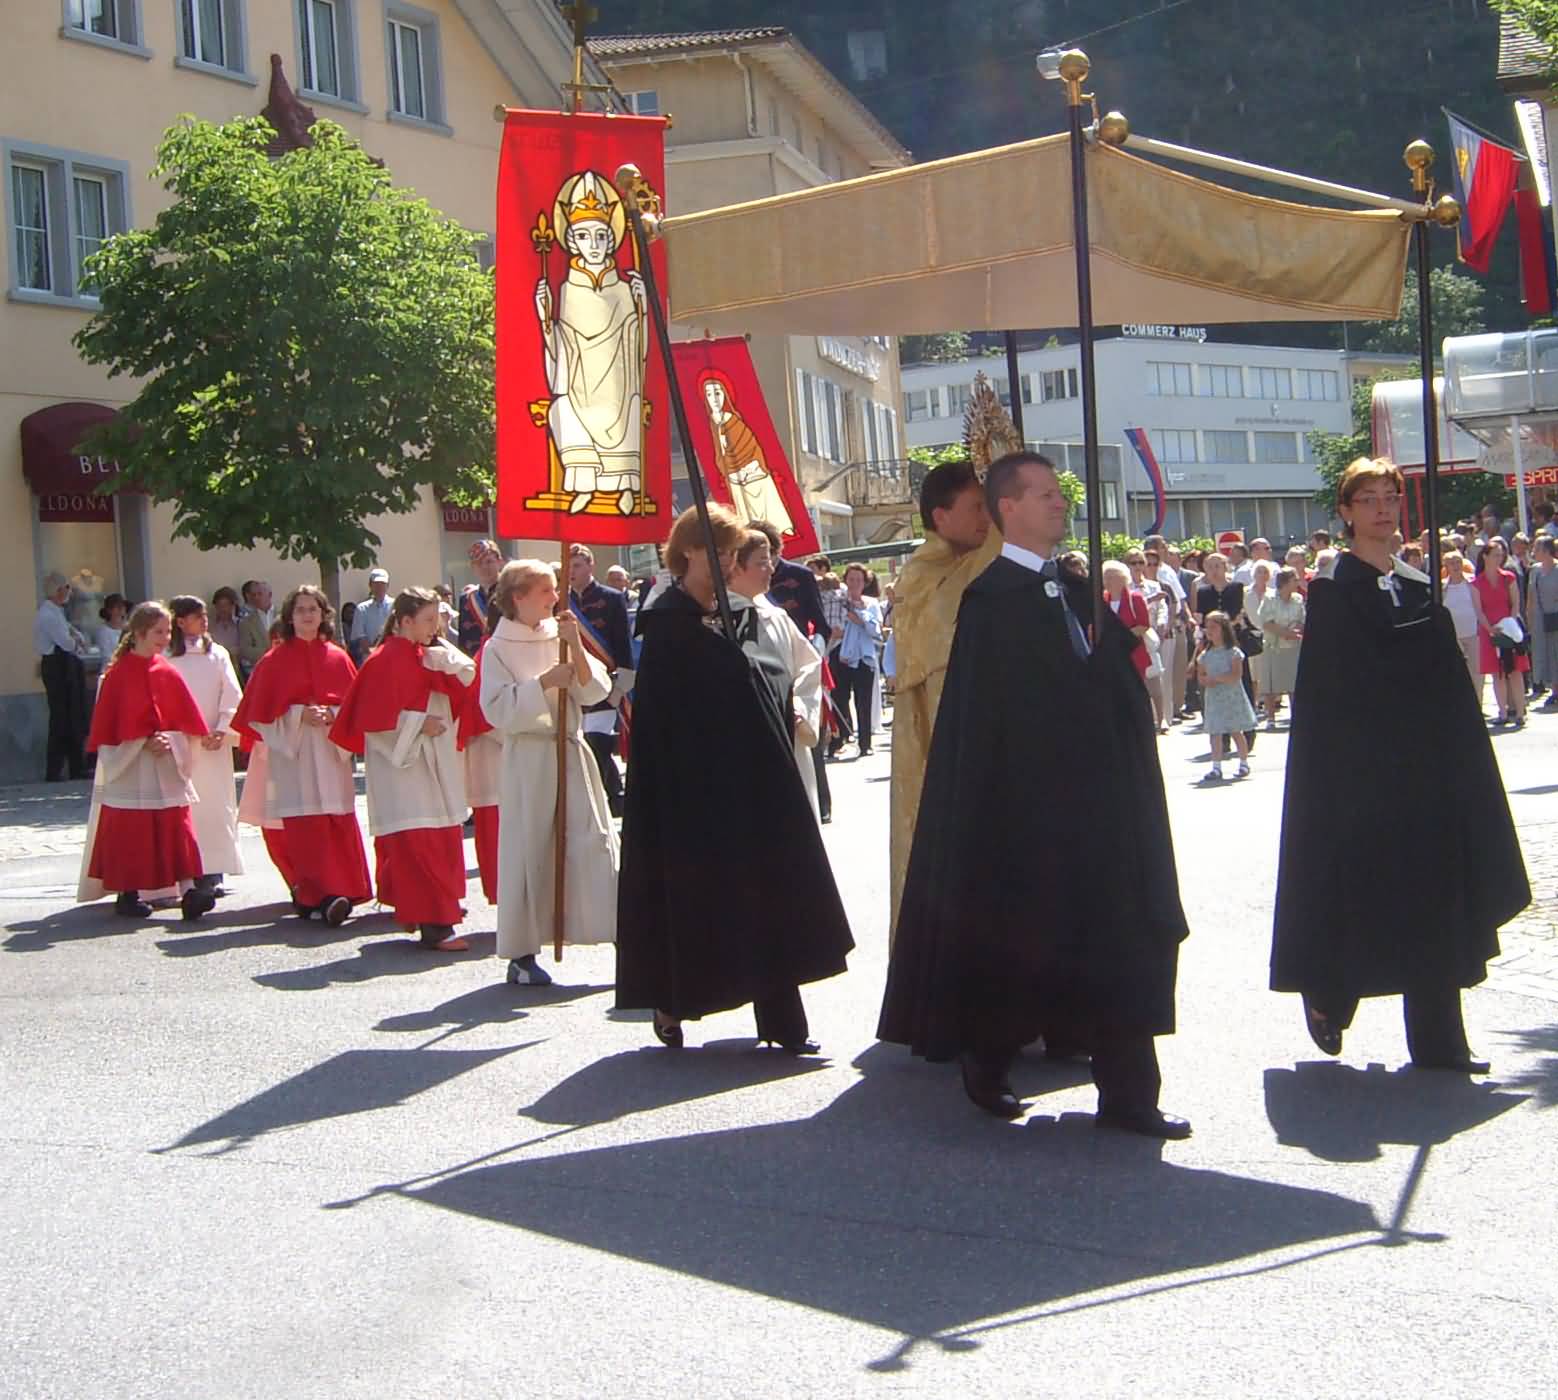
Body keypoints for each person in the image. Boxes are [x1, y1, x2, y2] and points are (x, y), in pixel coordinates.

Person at [879, 452, 1190, 1138]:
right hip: (1027, 812)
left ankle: (1130, 1096)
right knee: (1019, 939)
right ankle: (986, 1061)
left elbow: (1116, 683)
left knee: (1116, 936)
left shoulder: (1076, 588)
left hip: (1100, 810)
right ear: (1007, 509)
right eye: (1044, 494)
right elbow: (988, 720)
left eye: (1059, 493)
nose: (1059, 503)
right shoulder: (989, 602)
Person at [1272, 459, 1529, 1073]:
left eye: (1390, 498)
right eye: (1368, 499)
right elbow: (1340, 690)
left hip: (1424, 774)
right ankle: (1330, 994)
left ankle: (1440, 1040)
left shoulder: (1416, 584)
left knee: (1434, 897)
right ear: (1347, 511)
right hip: (1365, 778)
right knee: (1362, 893)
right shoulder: (1336, 590)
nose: (1383, 509)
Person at [616, 505, 853, 1052]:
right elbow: (667, 718)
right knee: (697, 901)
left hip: (756, 782)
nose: (727, 561)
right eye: (717, 550)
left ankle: (782, 1019)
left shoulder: (746, 614)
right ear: (688, 553)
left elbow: (770, 676)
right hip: (695, 793)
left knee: (771, 893)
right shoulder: (668, 623)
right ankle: (672, 1000)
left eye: (730, 551)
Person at [480, 559, 618, 987]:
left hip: (570, 751)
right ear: (518, 596)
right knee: (531, 849)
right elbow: (496, 709)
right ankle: (522, 953)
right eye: (545, 590)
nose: (556, 596)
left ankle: (617, 932)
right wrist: (541, 684)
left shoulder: (559, 634)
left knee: (589, 840)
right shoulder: (497, 648)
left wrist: (575, 648)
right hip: (531, 758)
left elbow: (596, 690)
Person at [330, 587, 476, 951]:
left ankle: (429, 912)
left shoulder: (425, 654)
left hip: (432, 762)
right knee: (419, 843)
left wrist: (447, 659)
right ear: (405, 621)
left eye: (437, 618)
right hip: (404, 768)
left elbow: (466, 681)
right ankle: (436, 925)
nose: (435, 626)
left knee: (438, 838)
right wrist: (418, 724)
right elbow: (374, 722)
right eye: (428, 620)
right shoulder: (383, 661)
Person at [231, 585, 371, 925]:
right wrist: (297, 716)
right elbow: (257, 716)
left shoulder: (338, 657)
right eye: (300, 610)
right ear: (289, 617)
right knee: (305, 824)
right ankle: (315, 895)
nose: (307, 615)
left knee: (336, 816)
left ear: (324, 615)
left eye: (313, 609)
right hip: (293, 756)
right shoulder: (273, 661)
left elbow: (357, 710)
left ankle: (343, 890)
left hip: (328, 750)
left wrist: (333, 715)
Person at [76, 602, 215, 920]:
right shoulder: (117, 675)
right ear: (138, 633)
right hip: (133, 766)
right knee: (131, 831)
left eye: (168, 631)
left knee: (176, 826)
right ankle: (128, 893)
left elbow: (185, 724)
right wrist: (141, 741)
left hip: (165, 763)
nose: (166, 638)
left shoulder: (167, 671)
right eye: (159, 632)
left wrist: (171, 741)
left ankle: (190, 890)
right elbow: (109, 729)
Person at [537, 171, 645, 517]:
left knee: (629, 404)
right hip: (579, 375)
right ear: (571, 241)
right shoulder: (567, 289)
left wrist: (641, 309)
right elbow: (562, 341)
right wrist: (545, 316)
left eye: (601, 236)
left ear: (611, 240)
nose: (594, 244)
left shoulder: (624, 287)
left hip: (616, 377)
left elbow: (636, 341)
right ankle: (583, 483)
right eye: (584, 236)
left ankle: (625, 484)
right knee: (563, 408)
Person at [726, 528, 825, 820]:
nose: (771, 568)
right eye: (761, 562)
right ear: (735, 566)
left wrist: (797, 709)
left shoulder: (776, 616)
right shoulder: (716, 618)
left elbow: (809, 663)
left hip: (788, 733)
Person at [166, 596, 244, 897]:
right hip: (179, 743)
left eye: (204, 615)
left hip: (212, 744)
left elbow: (231, 692)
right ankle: (184, 870)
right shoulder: (168, 657)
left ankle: (214, 869)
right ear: (180, 621)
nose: (204, 620)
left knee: (215, 806)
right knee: (183, 807)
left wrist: (223, 728)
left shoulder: (218, 654)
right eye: (197, 616)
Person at [567, 544, 635, 819]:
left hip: (606, 686)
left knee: (598, 746)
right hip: (575, 688)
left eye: (578, 566)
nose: (572, 572)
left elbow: (623, 647)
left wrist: (620, 690)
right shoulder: (562, 602)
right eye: (569, 567)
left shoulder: (611, 598)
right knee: (584, 749)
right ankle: (612, 798)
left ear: (591, 566)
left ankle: (608, 801)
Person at [703, 371, 796, 537]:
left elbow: (751, 445)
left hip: (752, 468)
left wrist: (751, 466)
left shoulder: (733, 419)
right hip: (733, 474)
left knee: (765, 489)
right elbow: (718, 453)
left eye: (717, 393)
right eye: (709, 394)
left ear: (725, 395)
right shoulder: (712, 423)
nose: (714, 399)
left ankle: (780, 525)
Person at [456, 608, 504, 907]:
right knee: (498, 833)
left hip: (503, 751)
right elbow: (484, 711)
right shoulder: (492, 651)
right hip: (494, 754)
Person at [34, 572, 89, 781]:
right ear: (57, 590)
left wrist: (76, 639)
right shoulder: (48, 615)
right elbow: (67, 642)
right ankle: (55, 769)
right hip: (58, 666)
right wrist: (76, 642)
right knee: (61, 718)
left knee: (73, 716)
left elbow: (75, 635)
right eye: (66, 587)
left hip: (65, 665)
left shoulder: (56, 612)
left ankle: (76, 766)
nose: (69, 591)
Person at [827, 564, 885, 758]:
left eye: (858, 580)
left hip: (863, 656)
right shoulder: (837, 600)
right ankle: (840, 737)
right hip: (840, 653)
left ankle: (865, 742)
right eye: (851, 579)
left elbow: (877, 630)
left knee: (864, 700)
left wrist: (860, 620)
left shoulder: (871, 603)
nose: (854, 584)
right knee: (840, 697)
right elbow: (829, 622)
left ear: (865, 583)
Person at [1473, 537, 1529, 728]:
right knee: (1497, 673)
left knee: (1514, 671)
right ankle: (1503, 712)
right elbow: (1478, 610)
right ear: (1485, 556)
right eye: (1495, 555)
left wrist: (1508, 624)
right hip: (1489, 631)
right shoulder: (1477, 583)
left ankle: (1520, 713)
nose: (1499, 558)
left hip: (1509, 629)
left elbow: (1515, 604)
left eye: (1501, 555)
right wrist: (1490, 629)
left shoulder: (1509, 578)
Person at [1196, 611, 1256, 781]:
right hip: (1214, 698)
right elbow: (1200, 675)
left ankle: (1243, 763)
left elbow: (1236, 675)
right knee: (1215, 733)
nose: (1209, 631)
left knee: (1236, 730)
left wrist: (1217, 678)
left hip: (1231, 697)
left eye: (1213, 627)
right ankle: (1216, 767)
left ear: (1223, 629)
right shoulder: (1205, 654)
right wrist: (1205, 680)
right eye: (1207, 628)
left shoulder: (1233, 652)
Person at [1260, 567, 1305, 730]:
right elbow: (1266, 622)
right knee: (1271, 683)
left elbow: (1302, 618)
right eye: (1295, 580)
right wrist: (1285, 633)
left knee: (1294, 683)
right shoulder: (1270, 598)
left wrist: (1296, 630)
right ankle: (1271, 718)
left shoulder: (1298, 599)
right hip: (1274, 645)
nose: (1298, 583)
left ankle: (1296, 717)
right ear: (1285, 582)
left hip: (1293, 646)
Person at [1442, 550, 1483, 701]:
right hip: (1454, 636)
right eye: (1451, 563)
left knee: (1477, 672)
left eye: (1458, 562)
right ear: (1446, 566)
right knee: (1458, 672)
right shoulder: (1442, 587)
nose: (1455, 566)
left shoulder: (1473, 582)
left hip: (1474, 633)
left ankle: (1478, 703)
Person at [459, 539, 504, 655]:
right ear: (473, 567)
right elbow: (463, 639)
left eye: (489, 562)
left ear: (500, 562)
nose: (484, 567)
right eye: (479, 563)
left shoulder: (511, 593)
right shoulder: (467, 598)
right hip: (477, 662)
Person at [1529, 536, 1558, 709]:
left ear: (1546, 551)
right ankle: (1554, 690)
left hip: (1556, 614)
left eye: (1537, 548)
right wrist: (1529, 617)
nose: (1534, 552)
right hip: (1541, 617)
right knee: (1546, 653)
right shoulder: (1535, 570)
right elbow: (1531, 595)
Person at [348, 567, 392, 665]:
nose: (379, 587)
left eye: (382, 584)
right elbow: (360, 638)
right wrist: (375, 653)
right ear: (370, 585)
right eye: (376, 584)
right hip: (369, 659)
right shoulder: (361, 609)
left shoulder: (395, 606)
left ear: (387, 586)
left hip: (392, 657)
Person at [235, 579, 273, 681]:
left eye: (259, 594)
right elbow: (245, 649)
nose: (256, 598)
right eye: (253, 595)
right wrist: (269, 652)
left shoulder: (284, 617)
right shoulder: (246, 622)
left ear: (270, 595)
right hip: (260, 672)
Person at [90, 593, 129, 661]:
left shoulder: (130, 628)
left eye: (122, 606)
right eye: (117, 606)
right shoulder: (103, 631)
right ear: (109, 610)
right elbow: (106, 655)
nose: (121, 609)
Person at [209, 587, 242, 660]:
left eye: (226, 605)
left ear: (233, 606)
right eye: (219, 605)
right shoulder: (210, 626)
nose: (223, 609)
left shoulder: (241, 624)